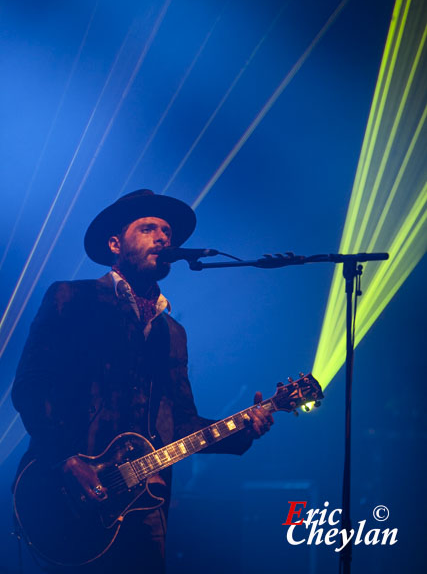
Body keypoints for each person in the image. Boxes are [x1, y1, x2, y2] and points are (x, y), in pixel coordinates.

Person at [12, 189, 274, 573]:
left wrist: (244, 428)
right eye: (148, 228)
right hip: (64, 492)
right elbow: (31, 385)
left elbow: (181, 424)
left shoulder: (173, 332)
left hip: (146, 504)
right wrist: (67, 459)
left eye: (167, 231)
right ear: (116, 244)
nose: (163, 237)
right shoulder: (72, 297)